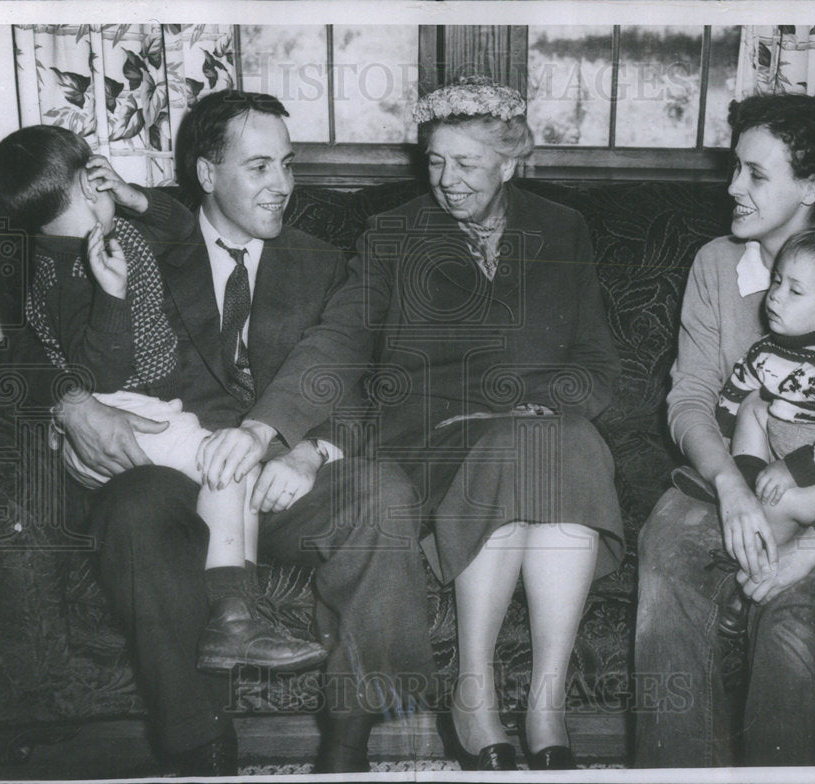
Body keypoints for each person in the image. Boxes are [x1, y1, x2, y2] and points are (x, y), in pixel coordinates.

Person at [204, 77, 625, 771]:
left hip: (538, 428)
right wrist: (269, 428)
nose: (446, 180)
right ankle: (474, 693)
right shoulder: (396, 234)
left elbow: (598, 365)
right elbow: (338, 341)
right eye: (434, 161)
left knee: (560, 438)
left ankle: (547, 704)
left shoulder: (562, 229)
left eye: (466, 164)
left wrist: (544, 403)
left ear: (511, 161)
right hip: (431, 441)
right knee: (540, 445)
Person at [50, 91, 435, 775]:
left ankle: (347, 750)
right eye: (259, 167)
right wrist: (71, 400)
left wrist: (313, 452)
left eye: (287, 166)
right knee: (133, 509)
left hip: (283, 481)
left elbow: (359, 376)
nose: (282, 186)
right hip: (173, 482)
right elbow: (40, 337)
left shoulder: (320, 262)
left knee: (382, 493)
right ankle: (203, 755)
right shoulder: (137, 247)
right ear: (205, 173)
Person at [634, 93, 815, 766]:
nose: (732, 187)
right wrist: (732, 488)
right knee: (666, 557)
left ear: (812, 186)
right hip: (732, 476)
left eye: (755, 174)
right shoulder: (715, 265)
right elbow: (692, 398)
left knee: (790, 625)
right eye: (735, 168)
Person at [0, 125, 324, 675]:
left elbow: (180, 227)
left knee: (225, 467)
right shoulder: (72, 268)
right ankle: (237, 618)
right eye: (93, 184)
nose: (106, 195)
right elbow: (97, 373)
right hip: (123, 412)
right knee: (230, 462)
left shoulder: (105, 228)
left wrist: (131, 195)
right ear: (80, 191)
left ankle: (235, 613)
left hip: (149, 411)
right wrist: (112, 299)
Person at [673, 226, 815, 635]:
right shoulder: (772, 346)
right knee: (754, 403)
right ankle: (749, 480)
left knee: (777, 502)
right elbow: (737, 388)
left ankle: (756, 576)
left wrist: (791, 472)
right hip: (781, 449)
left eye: (795, 291)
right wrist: (720, 437)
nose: (775, 296)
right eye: (776, 281)